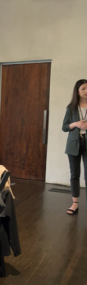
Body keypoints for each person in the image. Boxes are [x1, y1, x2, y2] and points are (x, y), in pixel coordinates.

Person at [64, 79, 87, 215]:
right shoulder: (71, 108)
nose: (86, 91)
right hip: (73, 144)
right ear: (77, 91)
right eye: (83, 88)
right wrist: (76, 124)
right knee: (74, 174)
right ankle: (75, 203)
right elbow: (65, 127)